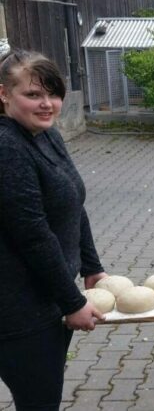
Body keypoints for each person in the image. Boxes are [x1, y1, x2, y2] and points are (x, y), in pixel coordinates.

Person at [0, 50, 108, 410]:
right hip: (18, 309)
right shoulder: (8, 147)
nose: (47, 104)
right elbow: (32, 234)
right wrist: (72, 301)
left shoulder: (45, 136)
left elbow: (72, 202)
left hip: (45, 296)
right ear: (3, 95)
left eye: (53, 93)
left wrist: (91, 267)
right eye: (32, 95)